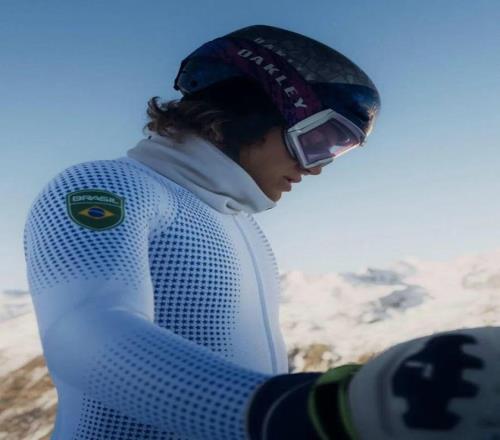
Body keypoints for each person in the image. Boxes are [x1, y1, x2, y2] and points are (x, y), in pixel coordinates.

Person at [23, 24, 497, 440]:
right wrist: (312, 412)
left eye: (336, 151)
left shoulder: (241, 226)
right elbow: (81, 333)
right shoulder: (110, 185)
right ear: (247, 112)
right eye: (317, 141)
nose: (317, 168)